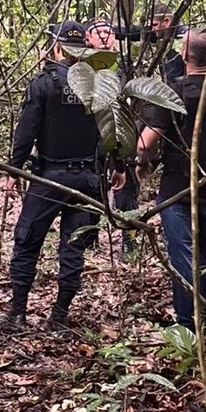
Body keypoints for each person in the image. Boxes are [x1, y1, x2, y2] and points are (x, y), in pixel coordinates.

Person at [4, 20, 125, 329]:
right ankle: (59, 317)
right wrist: (119, 166)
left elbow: (26, 131)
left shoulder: (44, 83)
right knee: (73, 249)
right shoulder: (101, 82)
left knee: (27, 240)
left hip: (49, 178)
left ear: (57, 46)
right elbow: (114, 130)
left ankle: (18, 312)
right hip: (86, 179)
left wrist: (14, 169)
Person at [133, 30, 206, 330]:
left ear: (183, 56)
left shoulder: (174, 93)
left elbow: (145, 142)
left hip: (178, 186)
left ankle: (185, 321)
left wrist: (142, 165)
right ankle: (203, 310)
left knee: (183, 253)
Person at [85, 18, 139, 255]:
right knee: (92, 189)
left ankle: (130, 241)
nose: (105, 36)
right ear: (88, 38)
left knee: (127, 190)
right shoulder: (83, 65)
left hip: (123, 133)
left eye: (108, 31)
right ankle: (90, 240)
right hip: (91, 136)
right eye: (98, 32)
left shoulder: (125, 65)